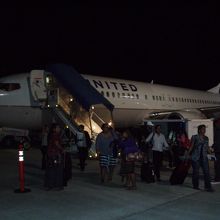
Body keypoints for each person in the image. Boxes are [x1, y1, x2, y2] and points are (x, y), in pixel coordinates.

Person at [188, 124, 214, 192]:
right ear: (199, 130)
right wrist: (187, 154)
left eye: (205, 129)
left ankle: (208, 187)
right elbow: (191, 146)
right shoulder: (194, 137)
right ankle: (195, 186)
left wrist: (211, 154)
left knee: (206, 172)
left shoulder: (206, 138)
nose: (204, 130)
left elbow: (207, 147)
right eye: (203, 129)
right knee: (196, 172)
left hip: (204, 158)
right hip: (196, 157)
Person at [45, 124, 64, 190]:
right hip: (55, 155)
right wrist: (62, 149)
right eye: (58, 127)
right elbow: (56, 144)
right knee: (57, 170)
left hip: (50, 155)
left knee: (51, 170)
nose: (59, 128)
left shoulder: (50, 135)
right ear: (54, 129)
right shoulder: (55, 135)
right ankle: (57, 185)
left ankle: (50, 185)